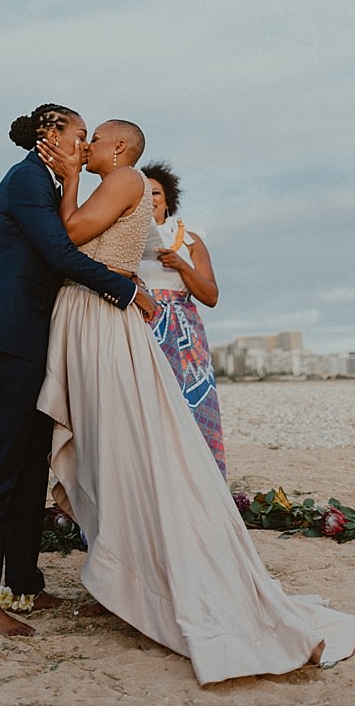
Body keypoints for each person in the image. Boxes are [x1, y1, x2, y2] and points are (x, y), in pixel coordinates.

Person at [36, 121, 355, 686]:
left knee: (131, 452)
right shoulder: (115, 186)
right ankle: (124, 576)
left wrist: (67, 178)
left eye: (95, 138)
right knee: (121, 454)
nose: (84, 147)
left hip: (109, 325)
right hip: (101, 320)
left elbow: (67, 235)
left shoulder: (123, 179)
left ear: (119, 149)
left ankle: (145, 579)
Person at [0, 103, 157, 638]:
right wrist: (128, 290)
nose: (85, 145)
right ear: (52, 136)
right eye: (80, 134)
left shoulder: (49, 182)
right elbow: (60, 253)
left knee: (29, 467)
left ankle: (24, 582)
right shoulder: (26, 180)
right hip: (5, 334)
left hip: (35, 339)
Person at [138, 161, 226, 478]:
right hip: (138, 326)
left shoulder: (190, 240)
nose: (150, 198)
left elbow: (211, 296)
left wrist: (181, 266)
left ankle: (198, 482)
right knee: (145, 409)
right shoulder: (121, 236)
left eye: (156, 192)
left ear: (168, 198)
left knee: (191, 406)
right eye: (142, 192)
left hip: (182, 329)